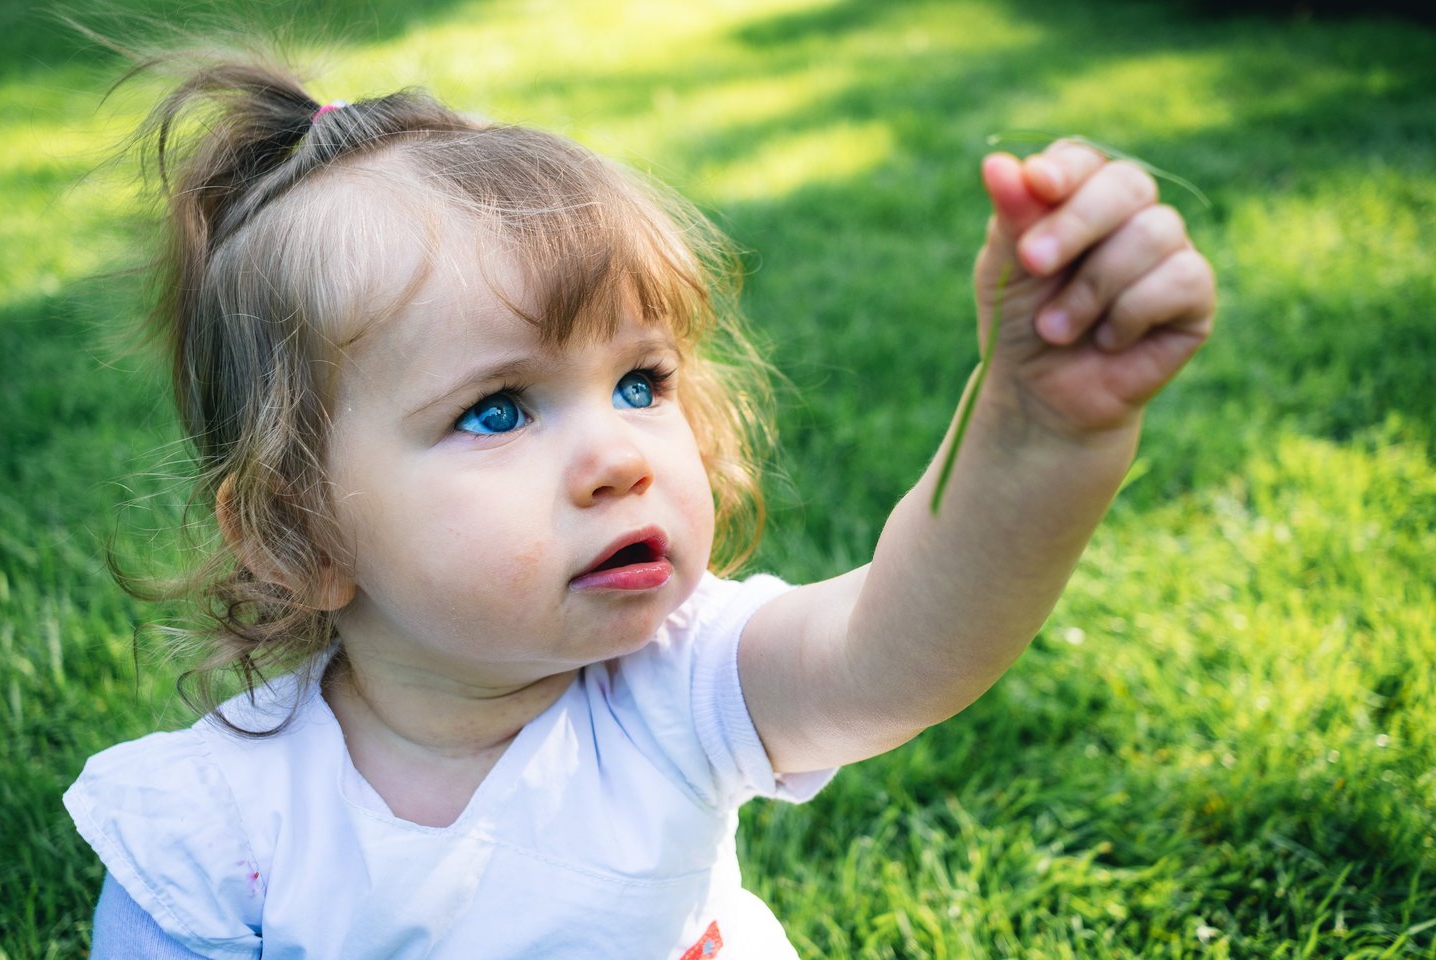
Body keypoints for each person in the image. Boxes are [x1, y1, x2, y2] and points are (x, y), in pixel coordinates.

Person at [64, 49, 1215, 959]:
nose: (617, 454)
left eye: (639, 382)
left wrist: (1036, 431)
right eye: (499, 410)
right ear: (298, 535)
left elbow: (899, 651)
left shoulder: (676, 683)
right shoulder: (216, 836)